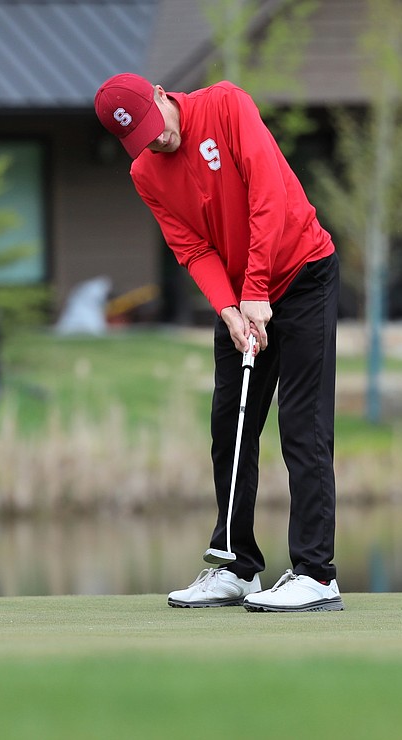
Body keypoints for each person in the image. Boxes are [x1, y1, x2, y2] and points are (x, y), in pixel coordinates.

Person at [94, 73, 343, 612]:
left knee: (303, 424)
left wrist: (256, 288)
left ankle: (317, 575)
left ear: (161, 96)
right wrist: (230, 309)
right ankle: (237, 566)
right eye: (138, 139)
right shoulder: (146, 172)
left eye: (152, 126)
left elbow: (268, 195)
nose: (154, 141)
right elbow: (192, 247)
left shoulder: (226, 105)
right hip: (239, 295)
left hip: (303, 273)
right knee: (230, 425)